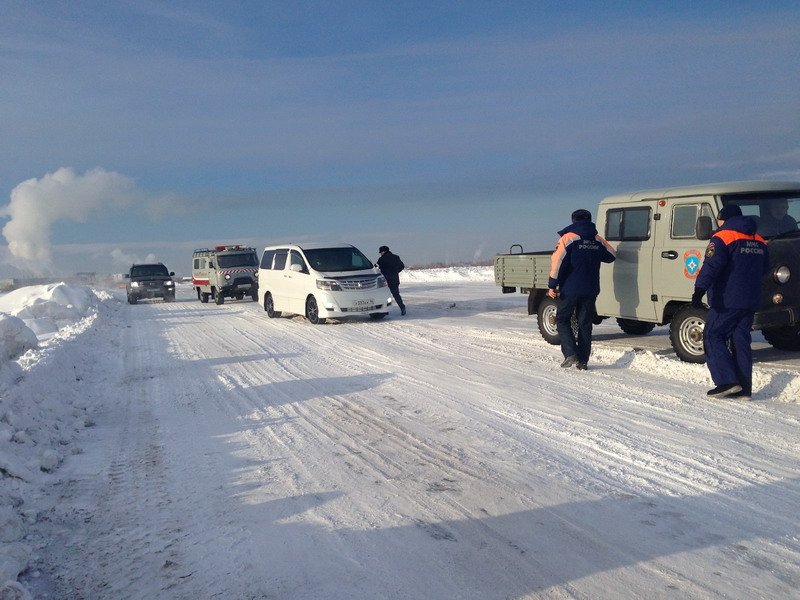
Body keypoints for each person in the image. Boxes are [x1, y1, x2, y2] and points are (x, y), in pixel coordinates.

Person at [692, 204, 770, 398]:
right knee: (740, 341)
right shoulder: (759, 240)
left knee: (713, 336)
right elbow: (766, 268)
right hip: (751, 300)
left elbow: (712, 265)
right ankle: (744, 388)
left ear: (723, 219)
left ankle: (726, 381)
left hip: (727, 300)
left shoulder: (722, 237)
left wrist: (699, 289)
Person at [547, 209, 616, 370]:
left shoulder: (568, 238)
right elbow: (612, 255)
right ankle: (583, 361)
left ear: (573, 220)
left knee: (563, 320)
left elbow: (557, 262)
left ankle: (570, 353)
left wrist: (552, 285)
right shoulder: (597, 239)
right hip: (591, 289)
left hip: (570, 289)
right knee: (585, 325)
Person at [376, 245, 406, 315]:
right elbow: (402, 266)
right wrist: (396, 271)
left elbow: (376, 268)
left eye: (381, 252)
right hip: (395, 278)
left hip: (385, 280)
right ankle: (402, 307)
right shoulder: (396, 257)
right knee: (396, 294)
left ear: (383, 252)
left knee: (385, 295)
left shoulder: (381, 259)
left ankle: (386, 310)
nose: (380, 254)